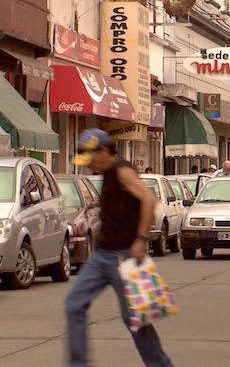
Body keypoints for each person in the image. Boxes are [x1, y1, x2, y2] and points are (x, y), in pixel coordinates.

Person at [64, 129, 173, 367]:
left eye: (90, 158)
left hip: (122, 257)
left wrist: (141, 240)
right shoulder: (108, 173)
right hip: (102, 255)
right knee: (74, 304)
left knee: (135, 319)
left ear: (103, 150)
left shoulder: (122, 171)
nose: (88, 165)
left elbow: (148, 199)